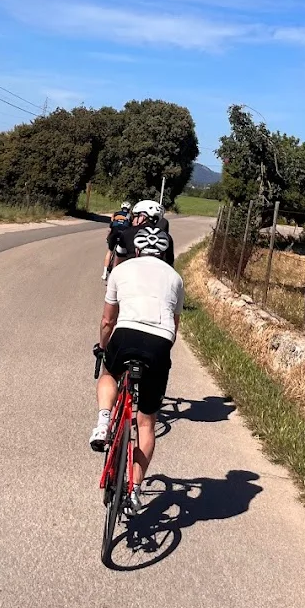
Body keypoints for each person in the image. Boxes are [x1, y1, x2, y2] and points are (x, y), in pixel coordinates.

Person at [89, 221, 184, 511]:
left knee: (109, 374)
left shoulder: (121, 270)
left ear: (137, 248)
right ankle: (134, 488)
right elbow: (175, 328)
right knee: (146, 422)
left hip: (126, 333)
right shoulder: (176, 279)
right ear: (166, 252)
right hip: (159, 342)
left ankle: (104, 422)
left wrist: (103, 346)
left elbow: (108, 320)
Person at [101, 200, 133, 279]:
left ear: (121, 208)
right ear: (129, 209)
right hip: (123, 234)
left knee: (110, 251)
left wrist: (108, 238)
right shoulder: (130, 216)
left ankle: (104, 274)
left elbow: (110, 228)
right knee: (124, 254)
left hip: (114, 233)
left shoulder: (115, 214)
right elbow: (131, 229)